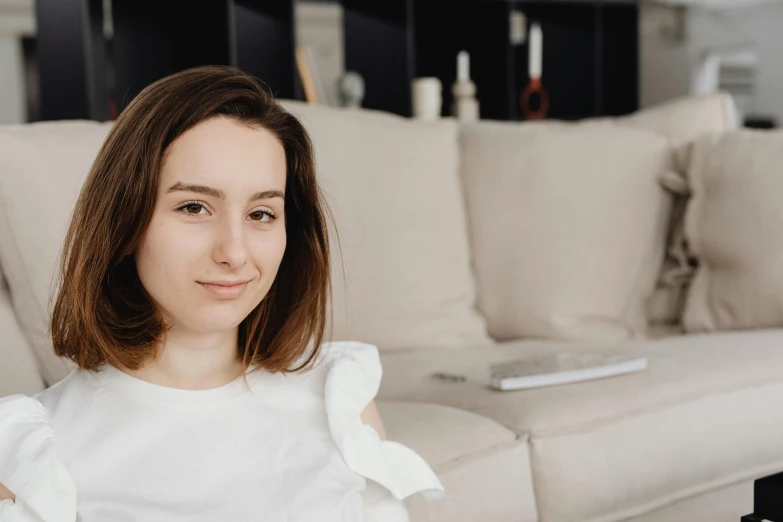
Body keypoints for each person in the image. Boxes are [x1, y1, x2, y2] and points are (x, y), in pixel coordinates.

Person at [0, 65, 444, 521]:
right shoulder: (34, 451)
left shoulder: (339, 397)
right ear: (126, 221)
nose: (234, 252)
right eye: (194, 207)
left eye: (262, 214)